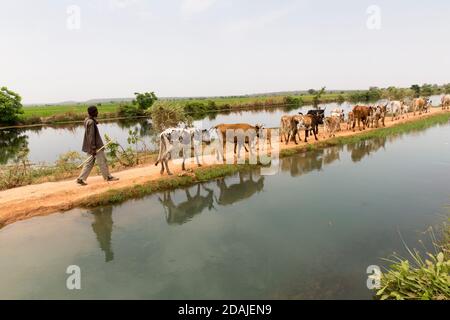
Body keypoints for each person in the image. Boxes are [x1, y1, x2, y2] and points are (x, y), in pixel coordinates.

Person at [76, 106, 118, 186]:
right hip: (95, 146)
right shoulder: (91, 122)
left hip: (89, 146)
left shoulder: (87, 120)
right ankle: (108, 177)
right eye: (96, 111)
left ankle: (81, 179)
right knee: (102, 161)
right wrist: (93, 148)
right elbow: (91, 136)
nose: (97, 112)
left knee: (89, 163)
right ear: (93, 112)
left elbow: (93, 125)